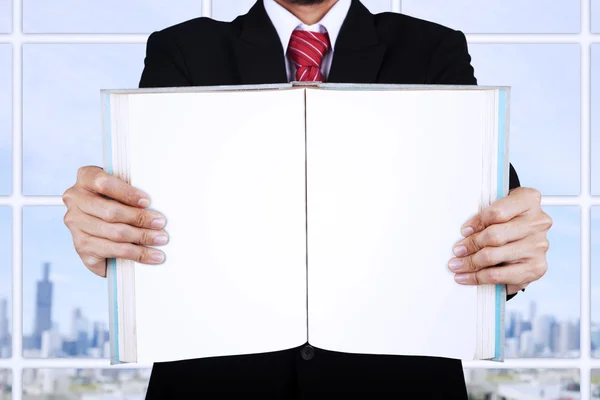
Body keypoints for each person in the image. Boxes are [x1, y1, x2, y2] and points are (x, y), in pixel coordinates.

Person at [61, 0, 553, 398]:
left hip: (397, 386)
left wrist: (512, 250)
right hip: (215, 385)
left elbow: (485, 196)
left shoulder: (432, 49)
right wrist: (103, 229)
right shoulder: (183, 49)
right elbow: (146, 203)